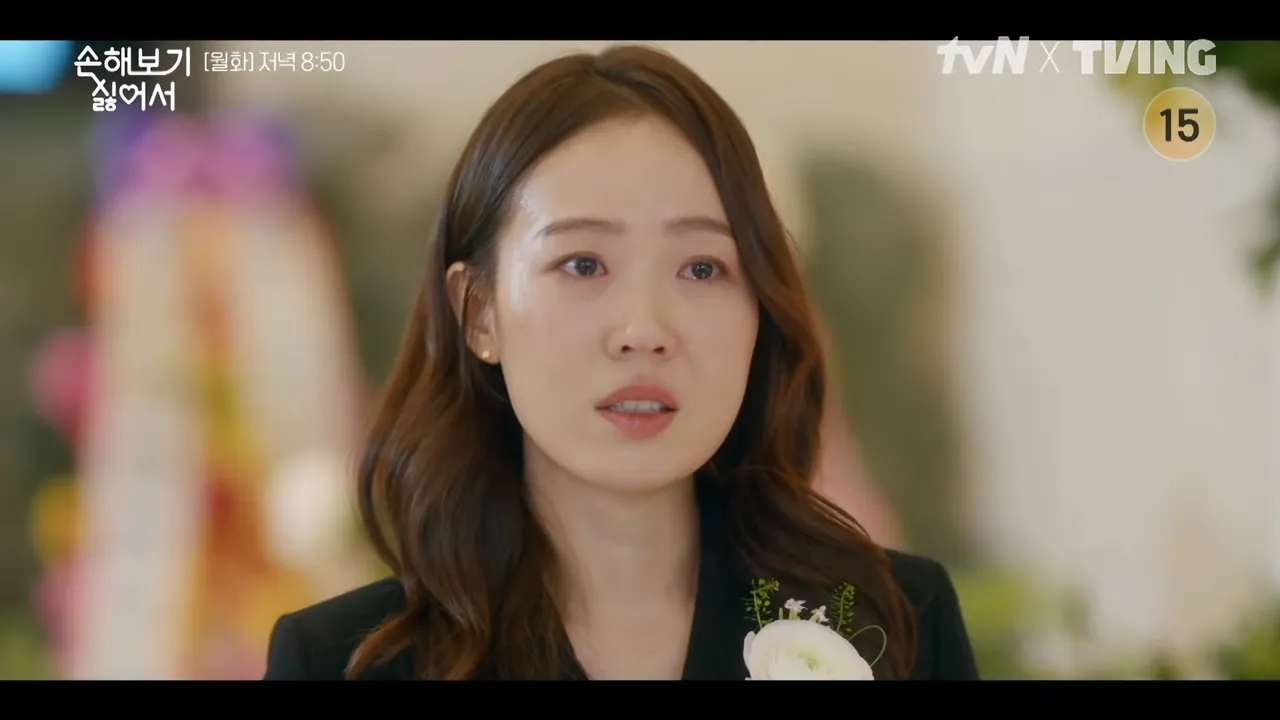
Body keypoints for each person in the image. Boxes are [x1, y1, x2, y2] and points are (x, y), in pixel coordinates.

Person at [263, 45, 978, 681]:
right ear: (478, 312)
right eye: (583, 264)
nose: (643, 330)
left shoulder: (898, 626)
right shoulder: (342, 661)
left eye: (702, 268)